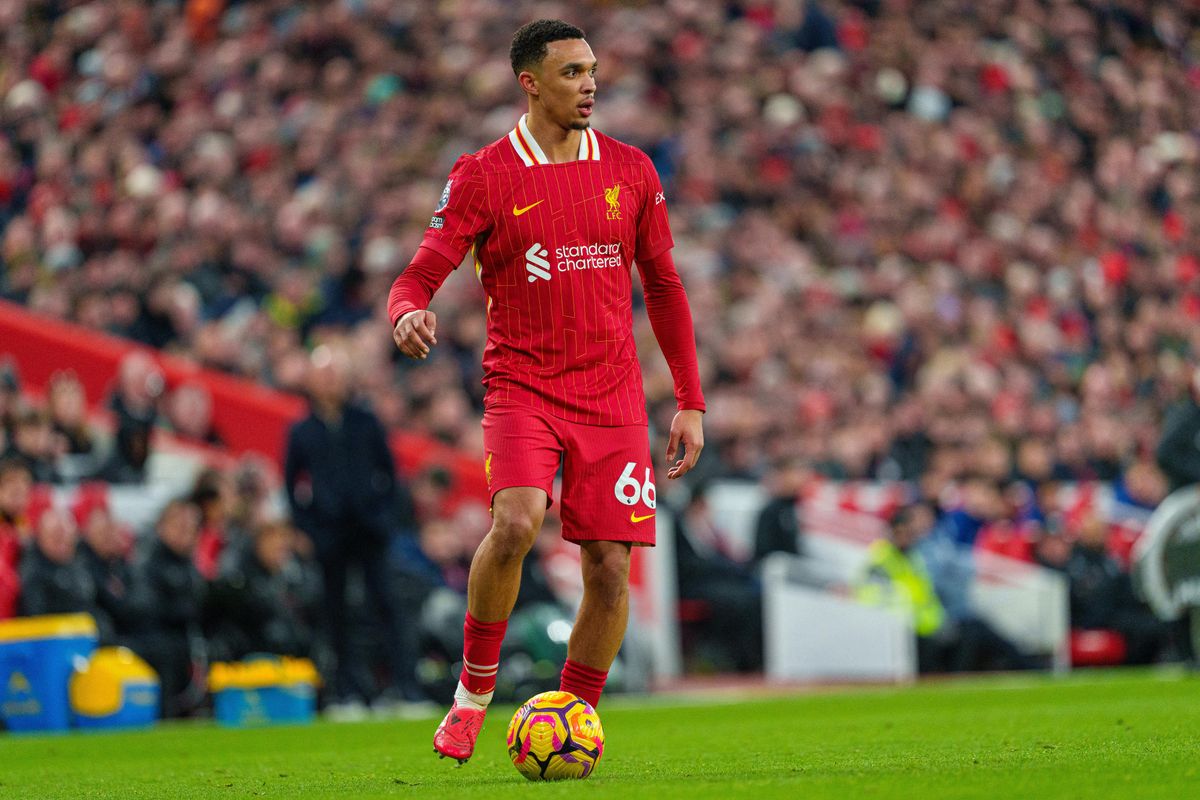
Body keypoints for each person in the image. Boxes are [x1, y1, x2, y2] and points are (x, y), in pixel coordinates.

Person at [388, 19, 705, 763]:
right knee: (517, 523)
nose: (589, 83)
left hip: (615, 397)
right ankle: (472, 695)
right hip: (522, 386)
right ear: (529, 82)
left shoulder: (632, 170)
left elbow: (663, 286)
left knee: (608, 564)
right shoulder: (485, 175)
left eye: (592, 69)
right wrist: (406, 313)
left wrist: (689, 398)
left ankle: (571, 720)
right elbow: (419, 272)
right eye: (571, 72)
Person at [284, 345, 424, 711]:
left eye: (335, 373)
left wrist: (382, 515)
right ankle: (346, 691)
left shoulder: (366, 421)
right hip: (330, 534)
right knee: (336, 613)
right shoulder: (302, 431)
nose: (329, 382)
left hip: (369, 530)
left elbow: (390, 474)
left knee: (387, 606)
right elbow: (290, 483)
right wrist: (307, 525)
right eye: (323, 374)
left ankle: (403, 688)